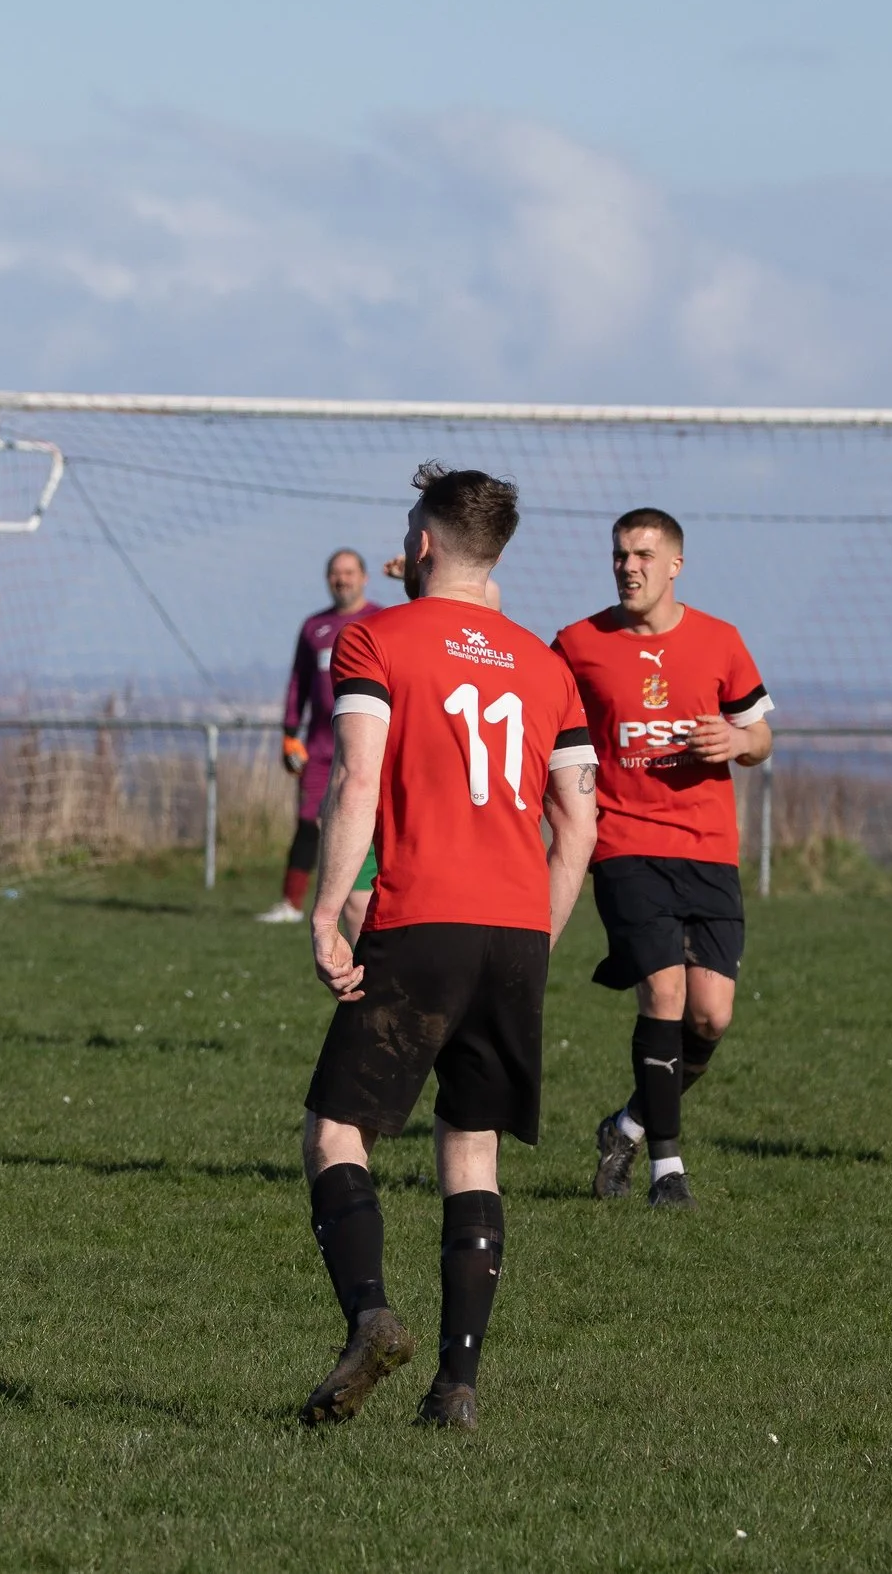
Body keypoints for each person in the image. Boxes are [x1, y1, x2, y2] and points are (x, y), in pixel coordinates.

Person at [299, 465, 597, 1432]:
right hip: (514, 929)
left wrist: (326, 905)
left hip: (421, 917)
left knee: (339, 1132)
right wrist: (539, 936)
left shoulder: (375, 637)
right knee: (472, 1155)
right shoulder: (548, 665)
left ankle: (371, 1316)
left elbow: (354, 782)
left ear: (422, 544)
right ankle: (456, 1389)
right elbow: (580, 823)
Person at [554, 509, 773, 1211]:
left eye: (643, 555)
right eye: (620, 555)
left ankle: (628, 1125)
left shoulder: (720, 640)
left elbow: (762, 732)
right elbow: (539, 719)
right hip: (625, 844)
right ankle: (665, 1172)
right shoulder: (578, 644)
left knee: (710, 1017)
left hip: (708, 850)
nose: (628, 567)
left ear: (675, 564)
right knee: (666, 995)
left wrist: (737, 745)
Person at [260, 550, 384, 924]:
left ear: (364, 577)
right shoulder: (313, 627)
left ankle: (376, 898)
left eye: (349, 572)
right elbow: (298, 682)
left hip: (367, 744)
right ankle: (291, 903)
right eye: (335, 573)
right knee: (308, 819)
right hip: (318, 746)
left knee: (371, 819)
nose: (342, 579)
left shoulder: (380, 620)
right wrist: (288, 732)